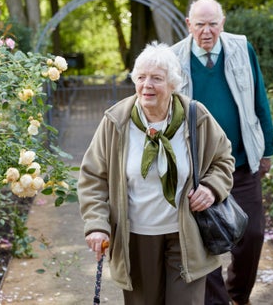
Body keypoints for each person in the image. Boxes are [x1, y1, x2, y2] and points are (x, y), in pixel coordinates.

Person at [77, 41, 235, 304]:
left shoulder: (196, 117)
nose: (146, 85)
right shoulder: (116, 121)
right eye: (141, 77)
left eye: (156, 78)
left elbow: (223, 159)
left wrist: (211, 188)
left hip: (187, 235)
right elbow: (93, 177)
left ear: (173, 84)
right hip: (135, 239)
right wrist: (97, 224)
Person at [171, 0, 273, 305]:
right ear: (189, 25)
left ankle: (237, 295)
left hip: (241, 163)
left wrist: (265, 150)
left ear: (223, 23)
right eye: (200, 24)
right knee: (205, 242)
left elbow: (260, 101)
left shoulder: (242, 49)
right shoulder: (175, 57)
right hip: (197, 170)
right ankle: (217, 301)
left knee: (252, 234)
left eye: (212, 23)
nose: (206, 31)